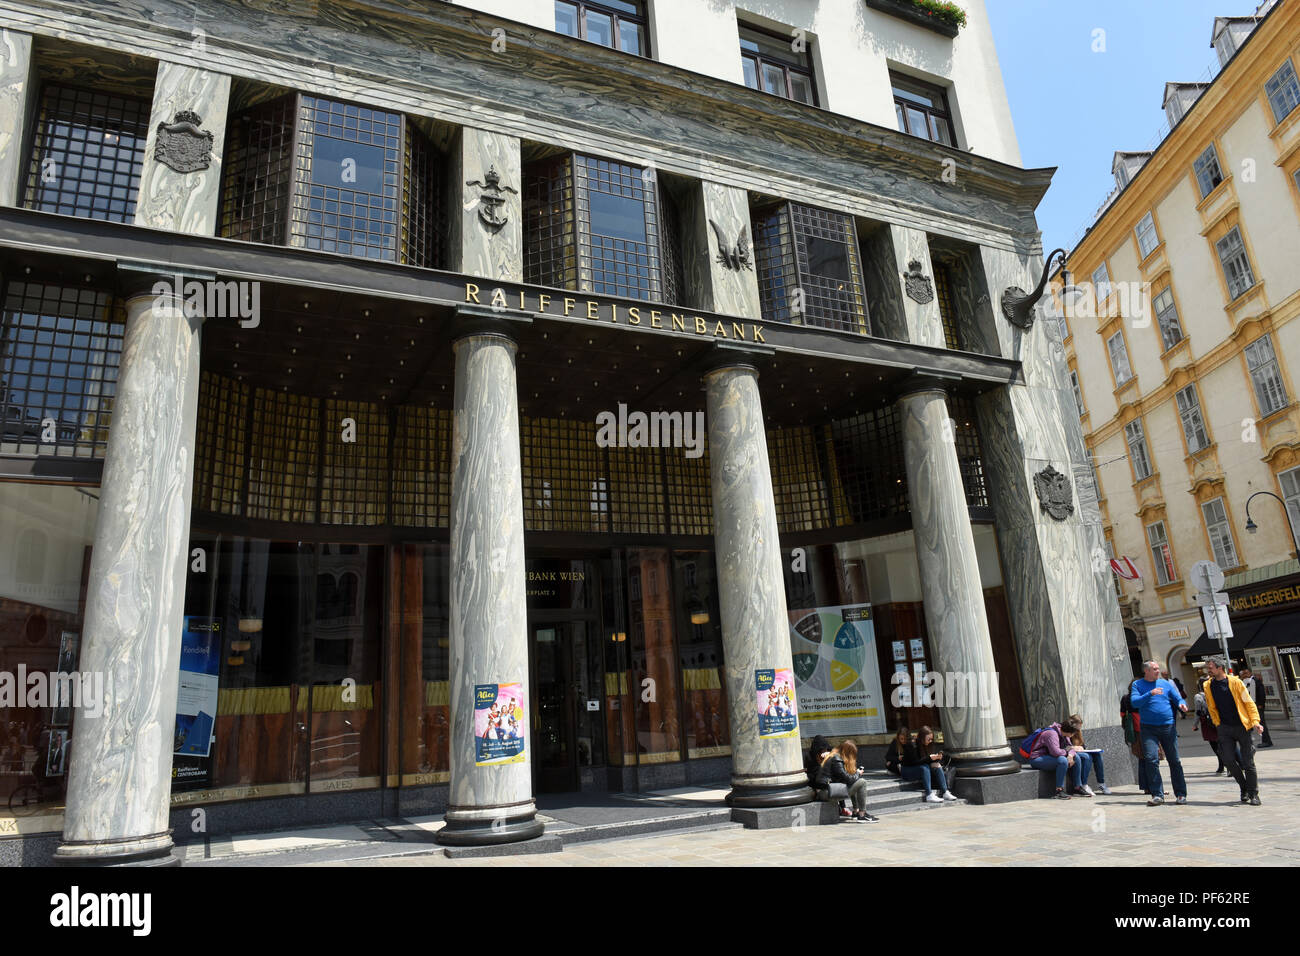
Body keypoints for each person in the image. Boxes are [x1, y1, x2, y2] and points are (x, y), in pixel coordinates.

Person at [1202, 656, 1263, 806]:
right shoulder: (1207, 685)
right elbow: (1211, 706)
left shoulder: (1236, 682)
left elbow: (1248, 702)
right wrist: (1217, 723)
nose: (1208, 670)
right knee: (1228, 760)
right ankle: (1244, 788)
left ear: (1219, 668)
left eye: (1210, 667)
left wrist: (1255, 722)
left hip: (1242, 726)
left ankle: (1253, 793)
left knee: (1248, 763)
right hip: (1224, 728)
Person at [1131, 660, 1188, 806]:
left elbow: (1178, 698)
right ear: (1146, 671)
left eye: (1158, 668)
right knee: (1151, 760)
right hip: (1148, 728)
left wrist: (1182, 704)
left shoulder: (1166, 684)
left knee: (1174, 760)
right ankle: (1157, 794)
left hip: (1168, 727)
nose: (1158, 671)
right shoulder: (1138, 685)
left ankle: (1181, 794)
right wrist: (1150, 693)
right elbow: (1135, 702)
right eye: (1155, 669)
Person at [816, 740, 879, 823]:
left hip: (825, 791)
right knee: (862, 782)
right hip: (826, 793)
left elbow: (846, 779)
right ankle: (862, 814)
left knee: (855, 782)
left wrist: (854, 774)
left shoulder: (834, 756)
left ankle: (856, 812)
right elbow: (848, 779)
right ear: (848, 753)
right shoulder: (836, 759)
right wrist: (858, 773)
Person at [1028, 718, 1086, 798]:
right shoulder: (1051, 734)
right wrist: (1067, 752)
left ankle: (1077, 787)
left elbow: (1070, 748)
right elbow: (1055, 752)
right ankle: (1059, 790)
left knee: (1076, 757)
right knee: (1062, 761)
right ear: (1070, 732)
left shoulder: (1065, 734)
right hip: (1037, 759)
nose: (1073, 735)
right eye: (1073, 733)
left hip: (1050, 757)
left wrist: (1070, 755)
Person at [901, 726, 957, 803]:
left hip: (919, 767)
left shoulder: (927, 745)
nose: (930, 741)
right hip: (907, 771)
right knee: (924, 767)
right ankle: (929, 794)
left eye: (931, 739)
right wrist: (930, 759)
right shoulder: (912, 744)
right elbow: (914, 762)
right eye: (928, 739)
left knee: (937, 765)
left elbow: (925, 759)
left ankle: (945, 792)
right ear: (921, 738)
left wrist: (937, 758)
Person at [1066, 714, 1110, 794]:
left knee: (1097, 755)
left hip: (1079, 752)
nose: (1079, 729)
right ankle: (1084, 784)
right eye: (1078, 726)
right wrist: (1074, 747)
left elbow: (1082, 745)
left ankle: (1101, 783)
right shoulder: (1068, 730)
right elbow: (1066, 746)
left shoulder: (1078, 732)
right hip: (1071, 753)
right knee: (1087, 757)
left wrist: (1081, 747)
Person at [1238, 667, 1273, 747]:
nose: (1245, 675)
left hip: (1257, 706)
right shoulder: (1245, 682)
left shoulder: (1256, 681)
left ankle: (1267, 741)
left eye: (1246, 673)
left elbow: (1261, 693)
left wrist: (1260, 705)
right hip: (1250, 706)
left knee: (1261, 723)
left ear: (1250, 673)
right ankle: (1252, 741)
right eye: (1243, 674)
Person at [1193, 688, 1225, 774]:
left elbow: (1197, 711)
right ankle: (1232, 764)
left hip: (1208, 723)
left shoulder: (1198, 697)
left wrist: (1195, 724)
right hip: (1219, 720)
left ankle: (1223, 765)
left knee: (1215, 745)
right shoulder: (1216, 692)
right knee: (1223, 744)